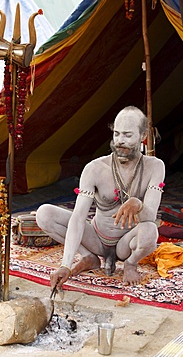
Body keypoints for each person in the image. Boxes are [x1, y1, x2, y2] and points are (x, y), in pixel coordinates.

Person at [36, 106, 165, 291]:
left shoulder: (155, 166)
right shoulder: (95, 168)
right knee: (44, 214)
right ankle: (89, 257)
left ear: (143, 135)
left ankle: (130, 264)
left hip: (126, 244)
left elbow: (150, 217)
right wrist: (65, 264)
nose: (120, 141)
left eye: (128, 135)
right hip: (96, 237)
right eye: (117, 134)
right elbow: (79, 217)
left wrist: (137, 204)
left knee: (150, 231)